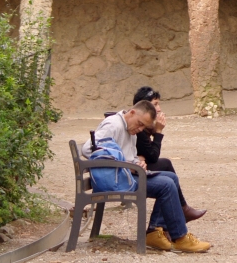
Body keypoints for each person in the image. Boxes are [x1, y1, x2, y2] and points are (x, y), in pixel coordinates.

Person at [84, 100, 212, 253]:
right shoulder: (113, 125)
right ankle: (180, 237)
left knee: (171, 177)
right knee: (166, 185)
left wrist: (138, 163)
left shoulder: (130, 130)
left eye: (143, 127)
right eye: (139, 124)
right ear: (132, 112)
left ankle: (154, 232)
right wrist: (124, 164)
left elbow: (128, 157)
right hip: (114, 180)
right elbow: (87, 149)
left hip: (124, 176)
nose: (140, 129)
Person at [132, 86, 206, 222]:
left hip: (137, 165)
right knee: (166, 172)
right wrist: (158, 132)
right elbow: (153, 157)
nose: (159, 109)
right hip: (132, 170)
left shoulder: (141, 126)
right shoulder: (137, 128)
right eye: (155, 104)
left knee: (167, 169)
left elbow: (148, 155)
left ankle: (180, 211)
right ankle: (178, 212)